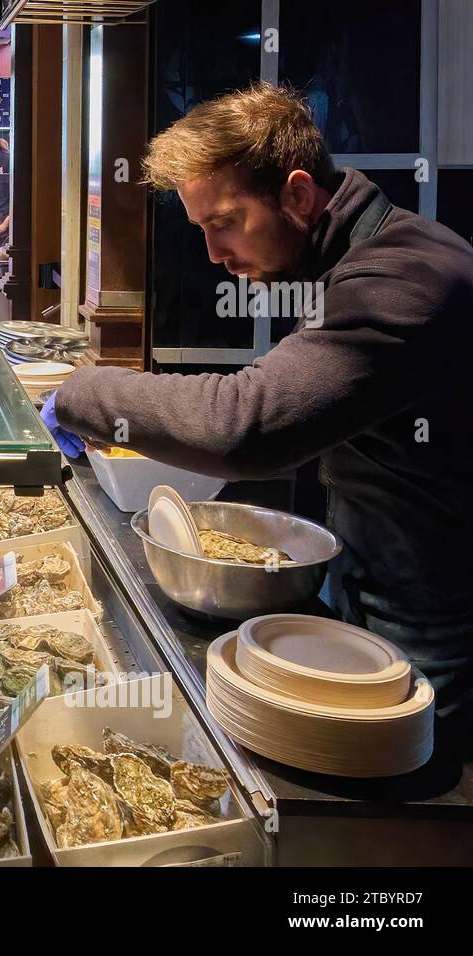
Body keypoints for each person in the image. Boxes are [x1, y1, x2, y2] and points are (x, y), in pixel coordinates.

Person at [43, 81, 473, 721]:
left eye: (225, 223)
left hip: (438, 622)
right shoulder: (352, 260)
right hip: (368, 582)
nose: (214, 255)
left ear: (298, 195)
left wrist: (80, 391)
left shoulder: (405, 279)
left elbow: (243, 426)